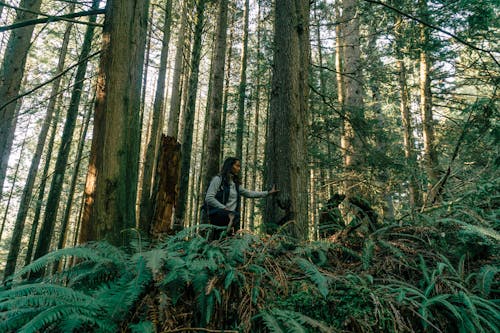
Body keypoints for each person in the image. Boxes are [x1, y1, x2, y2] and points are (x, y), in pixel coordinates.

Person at [204, 157, 278, 239]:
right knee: (225, 231)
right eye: (237, 166)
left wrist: (268, 193)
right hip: (218, 214)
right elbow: (209, 198)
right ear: (230, 166)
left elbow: (249, 193)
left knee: (227, 237)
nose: (239, 169)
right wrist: (223, 208)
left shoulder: (235, 184)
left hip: (231, 216)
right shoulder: (218, 179)